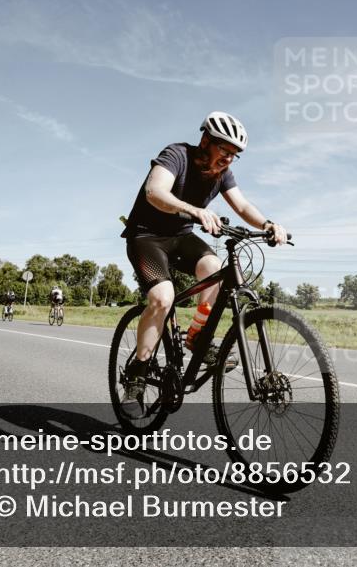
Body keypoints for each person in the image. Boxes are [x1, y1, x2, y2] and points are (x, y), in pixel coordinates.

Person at [119, 111, 288, 404]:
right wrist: (195, 211)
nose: (228, 159)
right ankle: (138, 371)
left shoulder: (223, 174)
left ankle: (197, 338)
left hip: (181, 237)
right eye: (224, 150)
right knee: (162, 297)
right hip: (146, 236)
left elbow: (243, 205)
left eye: (235, 155)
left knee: (213, 267)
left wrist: (267, 224)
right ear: (206, 141)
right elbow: (154, 191)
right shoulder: (177, 155)